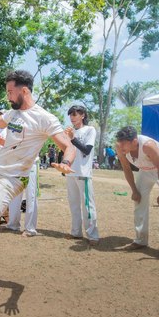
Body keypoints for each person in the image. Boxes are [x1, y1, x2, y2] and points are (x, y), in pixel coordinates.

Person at [0, 70, 75, 305]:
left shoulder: (44, 118)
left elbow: (67, 146)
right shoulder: (14, 113)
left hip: (15, 178)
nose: (8, 96)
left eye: (11, 91)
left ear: (24, 91)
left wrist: (66, 163)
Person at [115, 126, 159, 260]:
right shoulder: (120, 147)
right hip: (145, 170)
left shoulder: (148, 146)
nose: (121, 146)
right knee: (139, 201)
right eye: (120, 142)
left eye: (124, 143)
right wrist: (134, 190)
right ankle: (140, 240)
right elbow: (126, 168)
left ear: (135, 141)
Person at [64, 105, 99, 245]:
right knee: (73, 204)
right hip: (70, 172)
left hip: (83, 172)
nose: (72, 117)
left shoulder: (90, 130)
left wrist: (73, 138)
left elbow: (86, 150)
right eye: (70, 114)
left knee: (87, 205)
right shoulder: (69, 131)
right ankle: (76, 232)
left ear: (82, 115)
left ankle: (93, 235)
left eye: (75, 114)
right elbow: (66, 150)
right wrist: (64, 165)